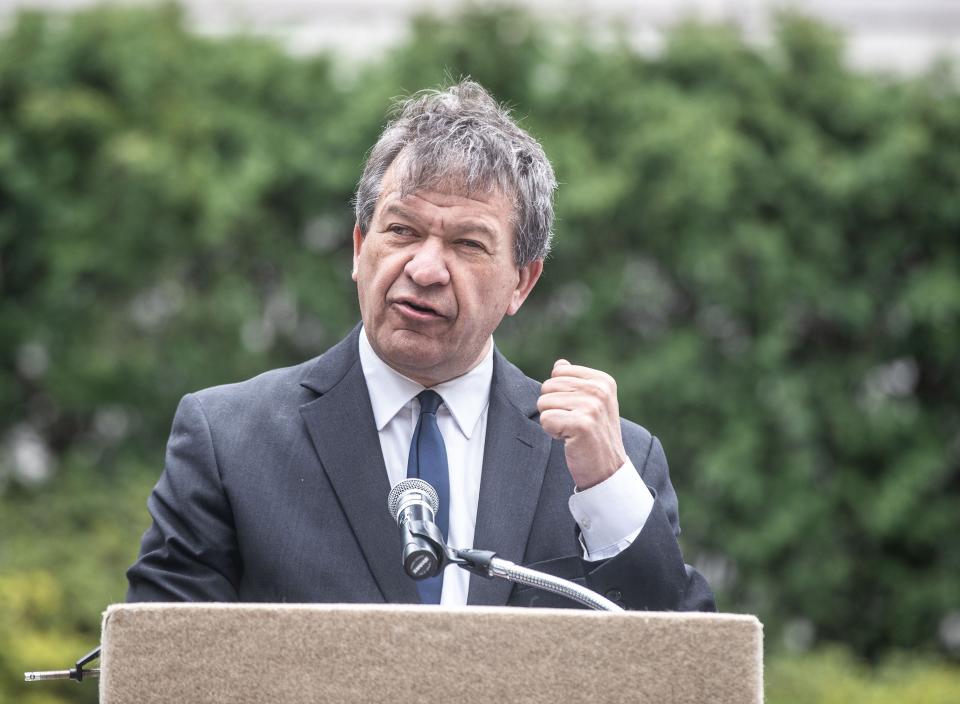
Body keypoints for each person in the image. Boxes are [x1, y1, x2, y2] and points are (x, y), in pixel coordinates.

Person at [126, 80, 715, 612]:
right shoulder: (227, 439)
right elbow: (161, 667)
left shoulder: (609, 461)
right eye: (402, 231)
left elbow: (679, 670)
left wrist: (606, 492)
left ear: (522, 282)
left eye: (468, 244)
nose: (426, 268)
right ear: (360, 247)